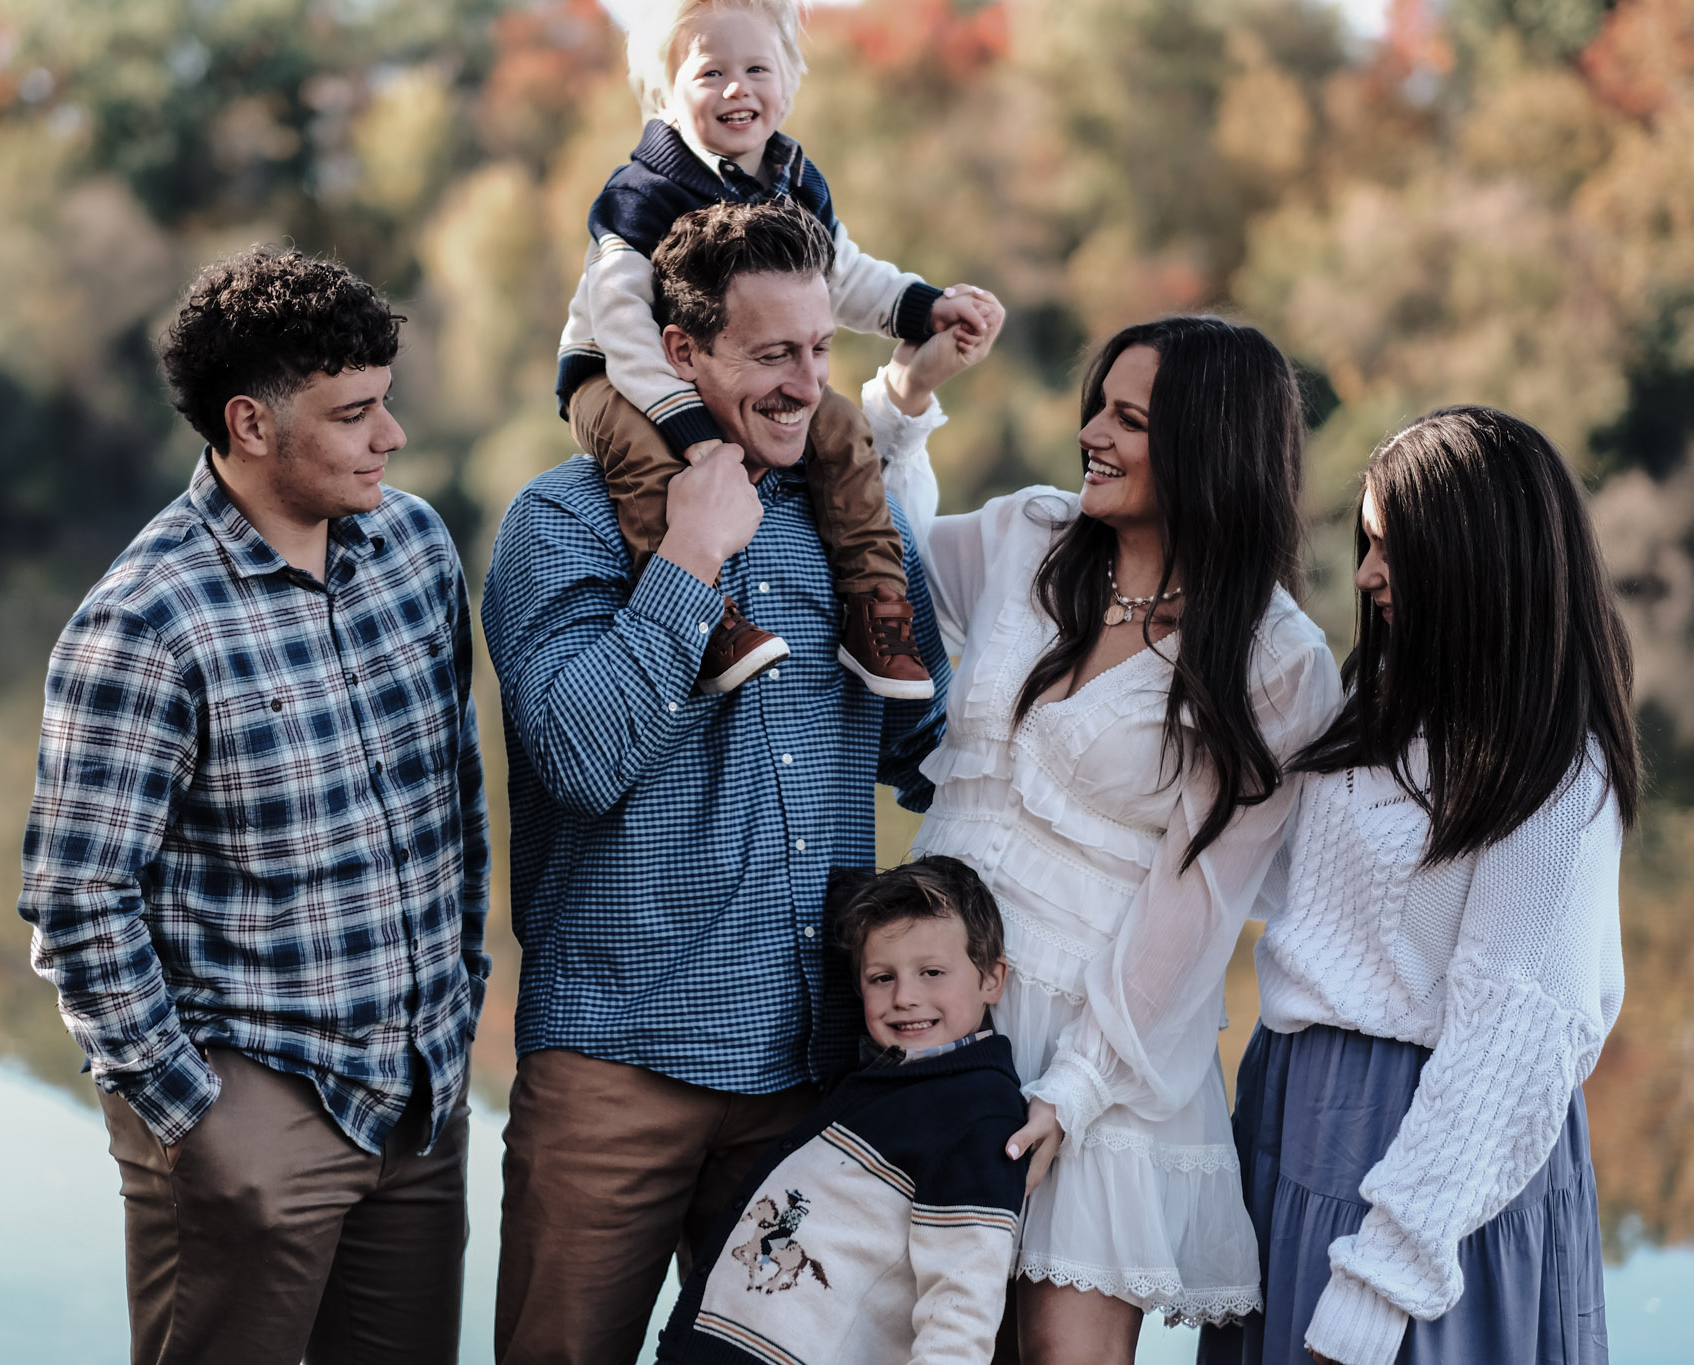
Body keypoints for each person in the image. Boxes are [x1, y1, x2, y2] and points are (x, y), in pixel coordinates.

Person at [482, 198, 983, 1365]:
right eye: (770, 356)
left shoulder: (850, 530)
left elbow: (923, 748)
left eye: (818, 350)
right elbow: (577, 761)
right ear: (680, 352)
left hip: (808, 1078)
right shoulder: (560, 523)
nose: (805, 385)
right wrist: (690, 554)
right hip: (615, 1063)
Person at [18, 246, 489, 1365]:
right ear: (250, 424)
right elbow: (77, 901)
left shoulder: (417, 549)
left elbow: (459, 803)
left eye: (385, 403)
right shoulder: (143, 621)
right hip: (251, 1117)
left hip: (420, 1096)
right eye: (353, 414)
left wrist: (462, 999)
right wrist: (194, 1116)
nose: (391, 436)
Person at [869, 316, 1343, 1361]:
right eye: (1097, 407)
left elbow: (1196, 905)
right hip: (937, 1011)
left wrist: (1072, 1089)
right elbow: (879, 552)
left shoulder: (1274, 659)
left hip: (1105, 1043)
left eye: (1128, 420)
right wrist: (903, 402)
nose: (1091, 433)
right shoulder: (1028, 535)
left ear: (1207, 451)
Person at [1199, 406, 1639, 1365]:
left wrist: (1383, 1280)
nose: (1366, 574)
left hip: (1426, 1151)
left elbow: (1515, 1042)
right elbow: (1307, 893)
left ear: (1478, 556)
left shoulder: (1553, 769)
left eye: (1391, 548)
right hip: (1299, 1109)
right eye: (1367, 544)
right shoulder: (1383, 699)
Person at [555, 0, 997, 696]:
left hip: (732, 375)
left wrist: (925, 306)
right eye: (711, 73)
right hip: (617, 373)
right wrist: (690, 429)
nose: (737, 87)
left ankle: (875, 608)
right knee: (647, 459)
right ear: (667, 94)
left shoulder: (795, 180)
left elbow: (841, 275)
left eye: (757, 68)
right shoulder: (642, 191)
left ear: (787, 86)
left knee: (843, 428)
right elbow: (621, 322)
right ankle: (701, 617)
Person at [655, 855, 1032, 1365]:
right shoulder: (885, 1082)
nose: (904, 997)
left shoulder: (979, 1114)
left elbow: (961, 1306)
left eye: (932, 972)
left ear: (992, 978)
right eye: (881, 977)